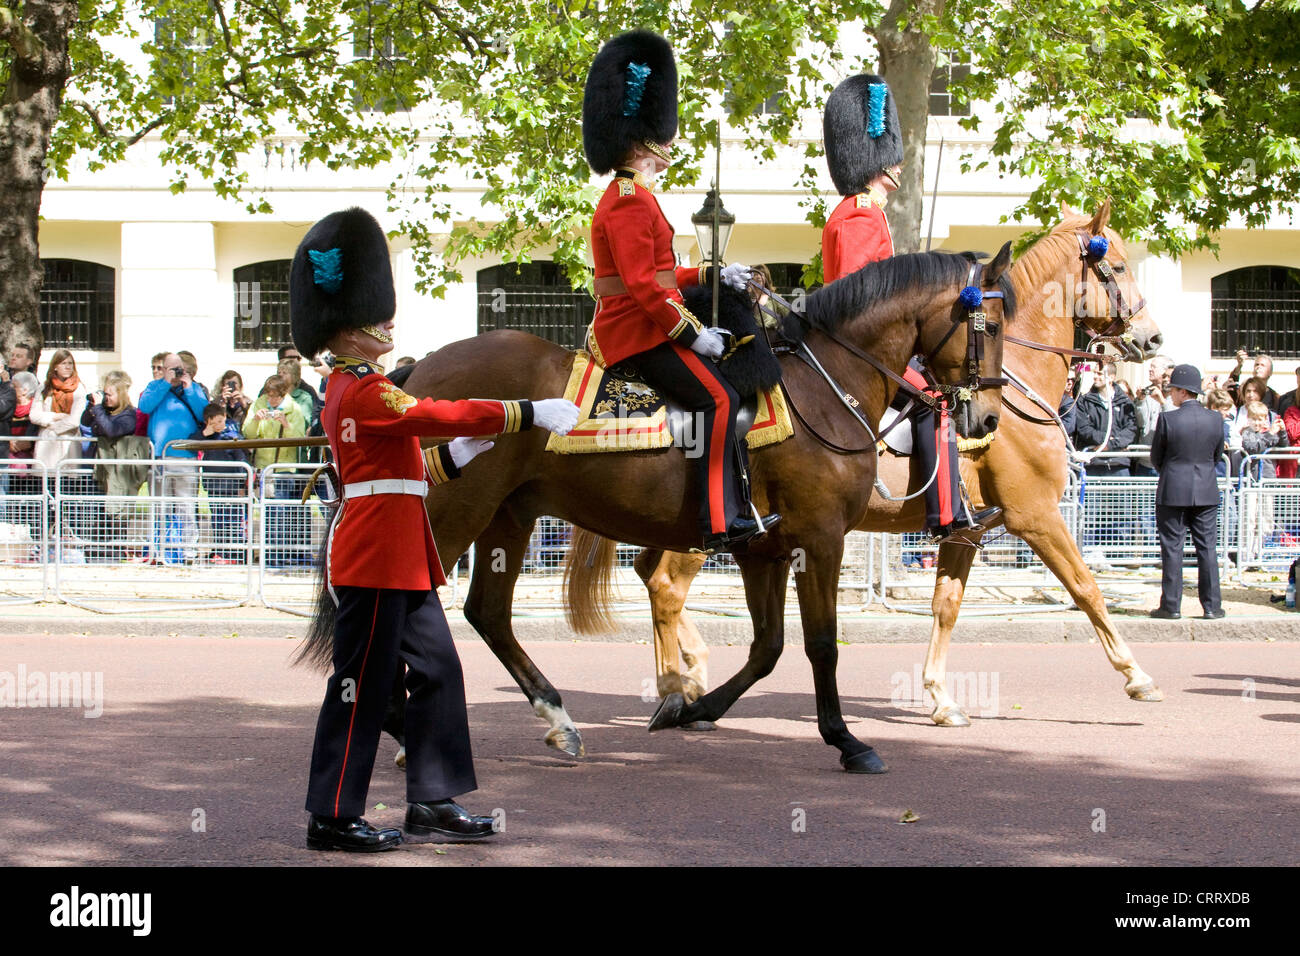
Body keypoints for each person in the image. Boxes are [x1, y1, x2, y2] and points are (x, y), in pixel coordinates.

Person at [292, 206, 580, 852]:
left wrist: (461, 457)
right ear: (345, 327)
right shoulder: (361, 389)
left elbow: (405, 471)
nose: (387, 322)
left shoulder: (360, 388)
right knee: (361, 687)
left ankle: (431, 799)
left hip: (404, 552)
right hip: (370, 555)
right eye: (375, 313)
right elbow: (431, 411)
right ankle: (332, 815)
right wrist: (526, 411)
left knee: (441, 671)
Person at [582, 31, 776, 553]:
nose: (668, 146)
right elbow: (645, 289)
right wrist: (693, 336)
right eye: (662, 138)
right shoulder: (627, 199)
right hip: (633, 332)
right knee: (720, 396)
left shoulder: (637, 197)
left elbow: (663, 275)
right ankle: (717, 518)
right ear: (643, 141)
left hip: (644, 323)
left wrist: (715, 277)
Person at [821, 72, 999, 545]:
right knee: (934, 402)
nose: (898, 168)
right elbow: (863, 298)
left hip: (863, 346)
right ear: (875, 161)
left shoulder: (857, 209)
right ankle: (945, 511)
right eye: (892, 160)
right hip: (863, 351)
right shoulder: (861, 212)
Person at [1150, 363, 1225, 620]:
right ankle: (1213, 606)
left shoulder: (1168, 418)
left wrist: (1173, 473)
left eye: (1173, 390)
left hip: (1172, 489)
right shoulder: (1216, 419)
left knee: (1172, 548)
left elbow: (1156, 458)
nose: (1170, 394)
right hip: (1206, 489)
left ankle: (1171, 606)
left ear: (1183, 392)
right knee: (1207, 549)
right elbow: (1216, 456)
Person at [138, 352, 210, 564]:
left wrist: (188, 389)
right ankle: (159, 550)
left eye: (179, 368)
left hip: (185, 457)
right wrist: (165, 382)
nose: (176, 373)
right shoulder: (154, 386)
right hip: (160, 456)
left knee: (186, 505)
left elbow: (204, 413)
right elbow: (144, 406)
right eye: (170, 368)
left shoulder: (194, 389)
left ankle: (188, 550)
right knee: (160, 506)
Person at [243, 373, 309, 567]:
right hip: (264, 468)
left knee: (282, 514)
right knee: (267, 513)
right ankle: (269, 555)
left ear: (283, 394)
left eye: (276, 397)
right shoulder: (258, 404)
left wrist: (286, 424)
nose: (272, 400)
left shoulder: (294, 409)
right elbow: (248, 433)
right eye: (269, 396)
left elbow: (299, 439)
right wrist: (255, 420)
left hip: (284, 469)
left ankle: (280, 555)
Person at [81, 371, 145, 561]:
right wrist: (91, 406)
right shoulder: (103, 411)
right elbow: (85, 423)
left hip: (119, 477)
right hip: (101, 473)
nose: (106, 398)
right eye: (105, 394)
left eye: (109, 395)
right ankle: (94, 554)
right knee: (96, 516)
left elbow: (111, 430)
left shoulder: (129, 415)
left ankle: (113, 555)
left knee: (115, 517)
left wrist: (99, 411)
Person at [190, 403, 250, 565]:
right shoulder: (206, 436)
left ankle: (235, 553)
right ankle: (222, 550)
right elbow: (191, 443)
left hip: (231, 486)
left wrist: (241, 486)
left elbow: (241, 460)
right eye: (214, 422)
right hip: (214, 486)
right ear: (208, 422)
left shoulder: (232, 435)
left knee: (233, 520)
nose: (219, 425)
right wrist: (205, 433)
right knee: (218, 519)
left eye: (221, 420)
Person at [1132, 355, 1174, 477]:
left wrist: (1162, 402)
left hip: (1166, 462)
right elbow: (1141, 423)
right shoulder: (1147, 392)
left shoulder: (1175, 395)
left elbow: (1173, 422)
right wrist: (1140, 401)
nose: (1150, 370)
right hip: (1145, 461)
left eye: (1154, 367)